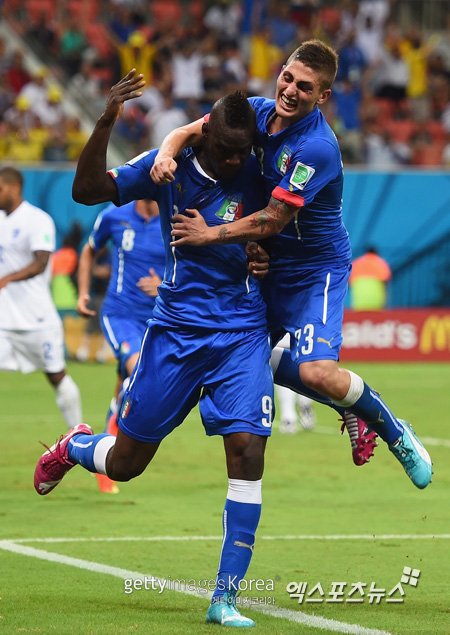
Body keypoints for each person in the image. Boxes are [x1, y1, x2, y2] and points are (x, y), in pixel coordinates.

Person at [35, 75, 275, 628]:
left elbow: (284, 230)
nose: (237, 160)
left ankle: (225, 598)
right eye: (227, 149)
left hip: (240, 333)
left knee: (248, 452)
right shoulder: (168, 168)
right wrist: (107, 118)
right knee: (125, 463)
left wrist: (264, 258)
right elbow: (88, 190)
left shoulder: (263, 169)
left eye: (245, 151)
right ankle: (76, 446)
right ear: (206, 135)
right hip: (175, 334)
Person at [151, 39, 433, 490]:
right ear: (280, 71)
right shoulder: (259, 112)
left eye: (305, 87)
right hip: (271, 263)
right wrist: (166, 153)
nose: (290, 90)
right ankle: (347, 405)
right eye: (287, 77)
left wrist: (209, 235)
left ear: (322, 97)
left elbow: (274, 218)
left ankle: (394, 431)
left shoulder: (318, 147)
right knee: (243, 357)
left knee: (316, 372)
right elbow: (187, 131)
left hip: (314, 270)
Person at [76, 198, 165, 493]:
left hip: (161, 319)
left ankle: (102, 452)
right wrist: (83, 293)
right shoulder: (113, 216)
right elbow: (89, 250)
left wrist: (163, 285)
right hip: (121, 315)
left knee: (126, 384)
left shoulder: (176, 215)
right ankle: (106, 456)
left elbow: (194, 266)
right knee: (138, 372)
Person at [0, 166, 82, 431]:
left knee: (56, 375)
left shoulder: (37, 220)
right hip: (3, 317)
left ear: (14, 188)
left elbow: (40, 262)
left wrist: (8, 279)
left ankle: (78, 435)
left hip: (35, 317)